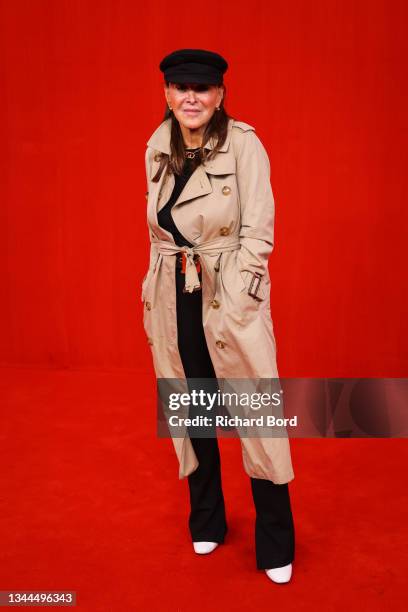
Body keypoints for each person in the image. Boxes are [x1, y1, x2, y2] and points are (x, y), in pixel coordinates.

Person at [142, 48, 295, 583]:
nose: (190, 97)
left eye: (201, 88)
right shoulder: (157, 146)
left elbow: (259, 230)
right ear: (166, 94)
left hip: (226, 290)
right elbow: (159, 230)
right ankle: (207, 518)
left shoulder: (245, 145)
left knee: (255, 410)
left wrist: (242, 293)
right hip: (174, 292)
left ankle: (277, 543)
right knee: (191, 403)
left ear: (219, 95)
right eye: (180, 87)